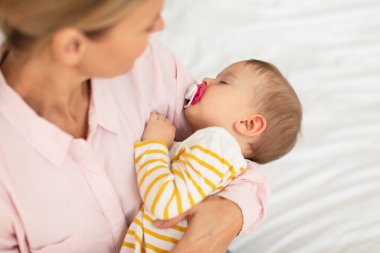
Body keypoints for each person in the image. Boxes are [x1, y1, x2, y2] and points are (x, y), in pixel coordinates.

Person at [0, 0, 270, 252]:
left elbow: (236, 149)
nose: (159, 27)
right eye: (145, 24)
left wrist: (232, 212)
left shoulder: (152, 68)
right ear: (72, 46)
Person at [121, 59, 302, 252]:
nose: (206, 80)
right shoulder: (217, 154)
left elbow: (165, 205)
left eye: (223, 82)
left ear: (249, 124)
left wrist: (154, 145)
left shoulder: (217, 142)